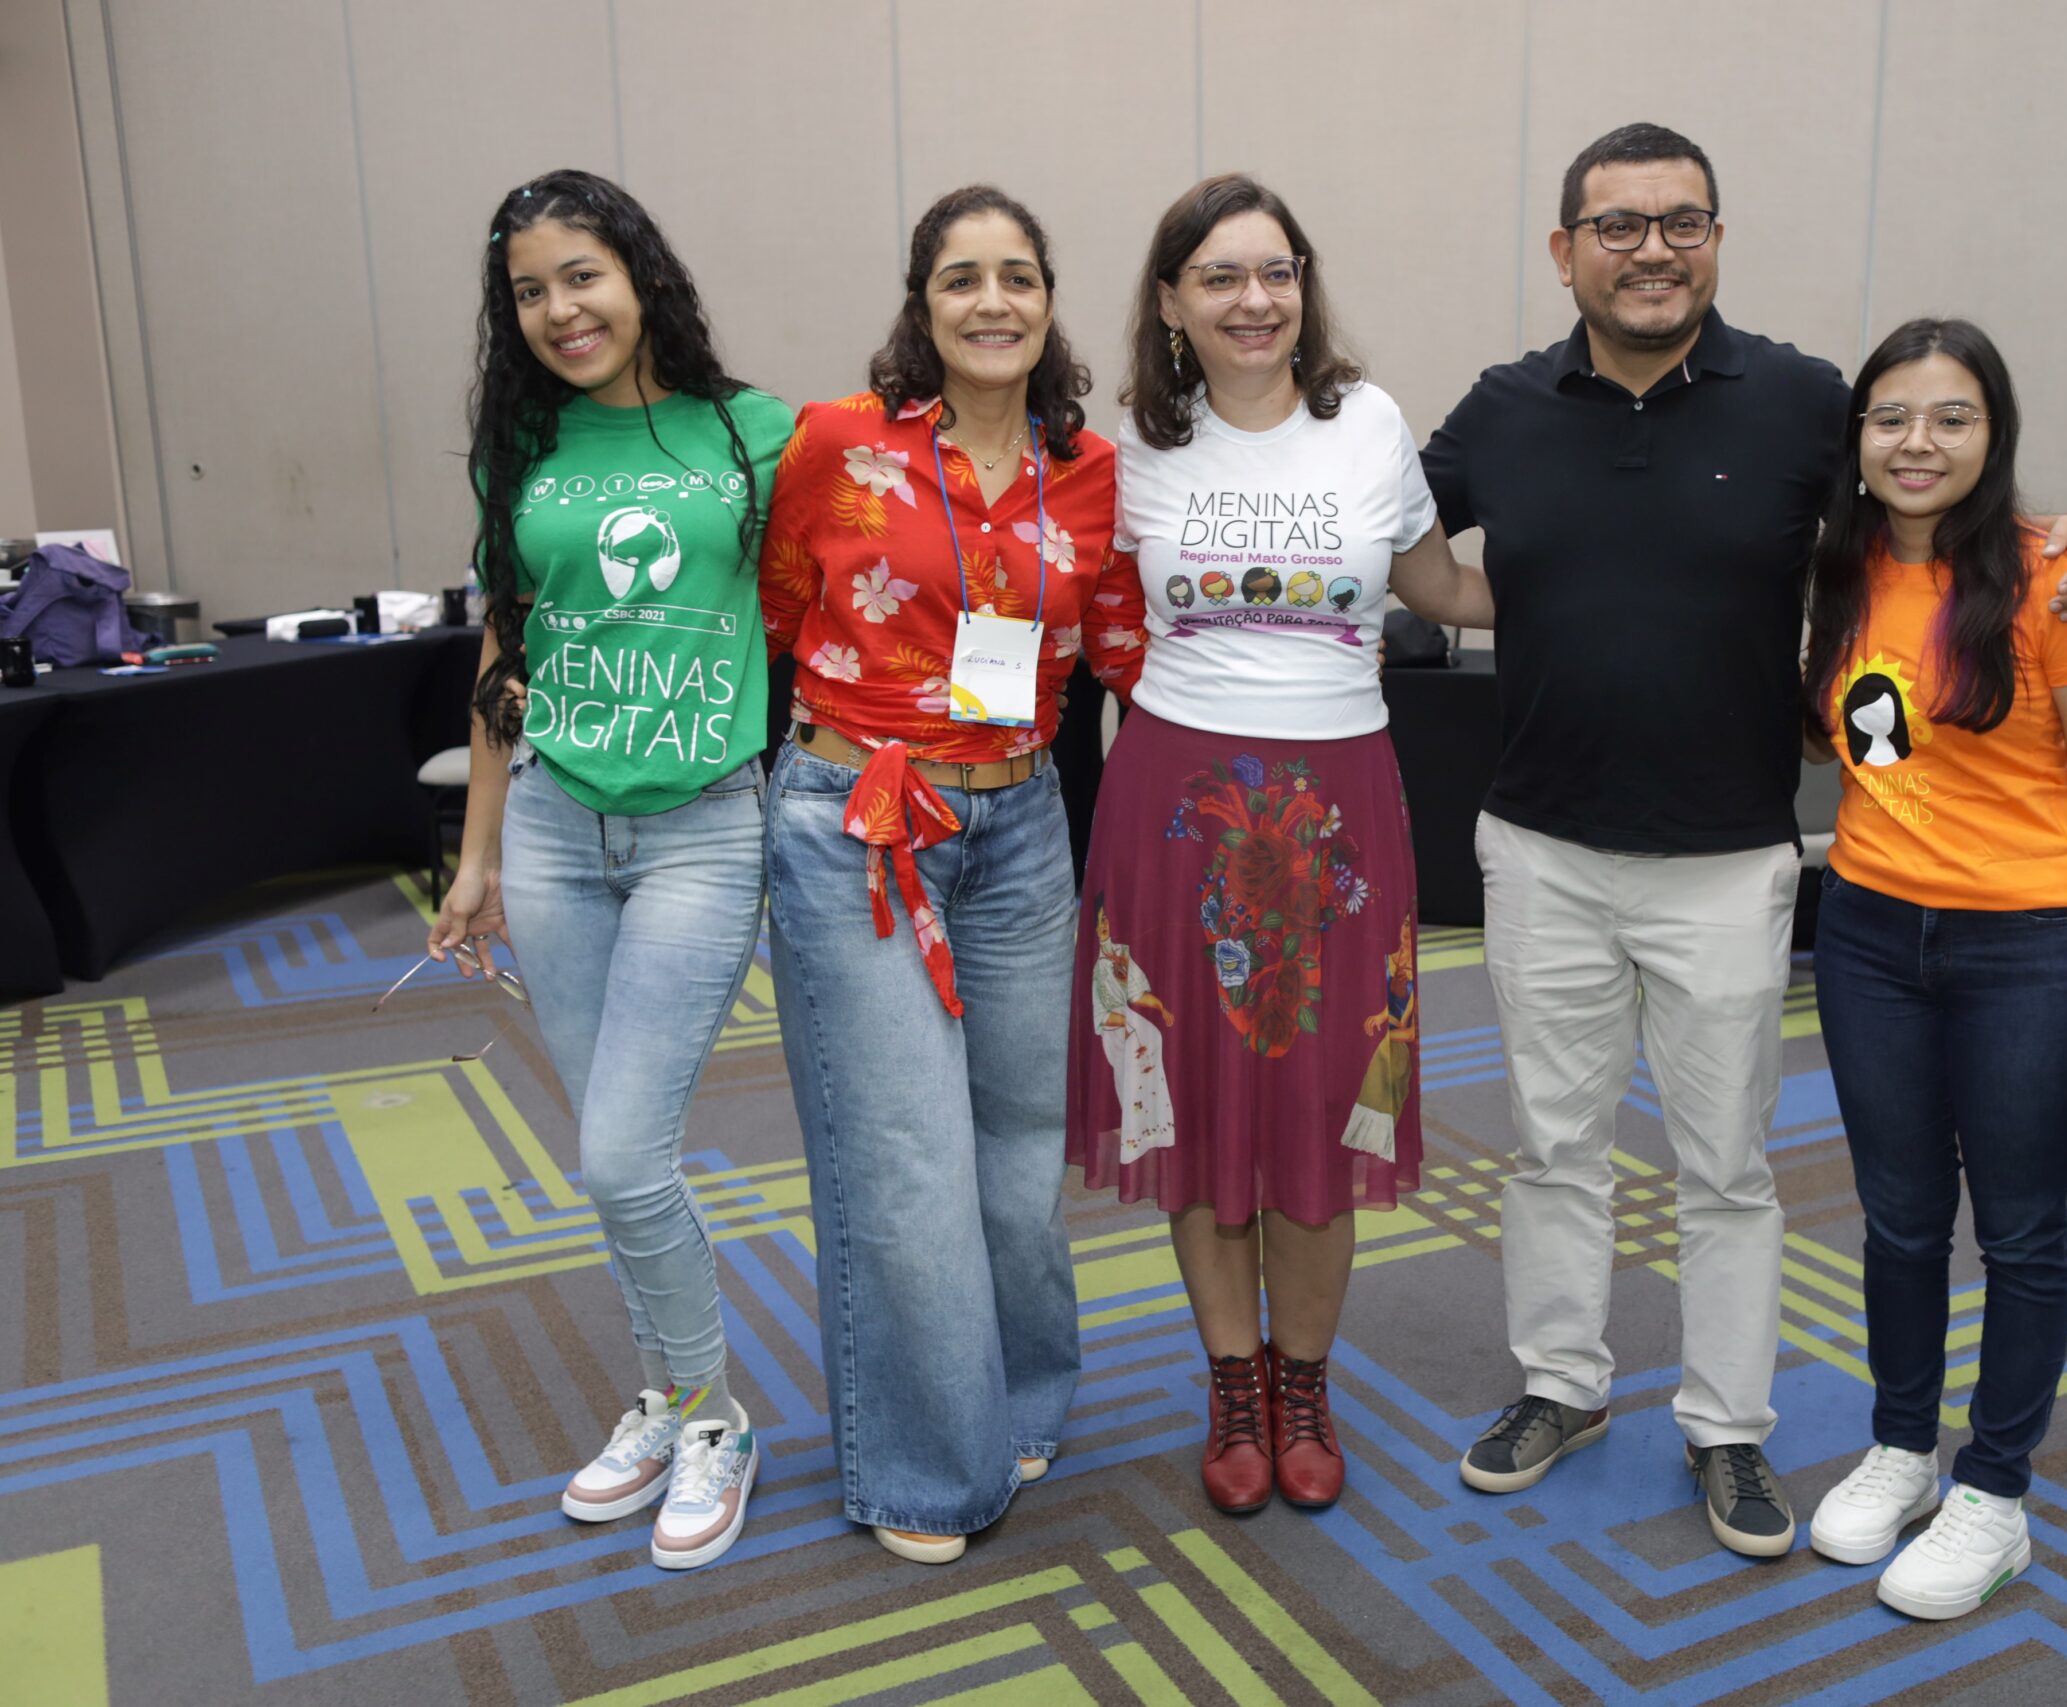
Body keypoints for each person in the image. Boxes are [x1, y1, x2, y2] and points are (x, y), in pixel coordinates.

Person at [1421, 123, 2067, 1556]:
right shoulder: (1498, 409)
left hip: (1732, 854)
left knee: (1727, 1163)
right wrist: (1516, 609)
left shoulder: (1806, 400)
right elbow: (1400, 541)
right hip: (1543, 848)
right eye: (1618, 227)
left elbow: (1934, 502)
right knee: (1552, 1146)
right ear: (1565, 252)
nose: (1653, 250)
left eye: (1683, 222)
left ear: (1718, 243)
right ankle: (1561, 1385)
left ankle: (1726, 1423)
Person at [1066, 174, 1492, 1517]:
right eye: (1222, 276)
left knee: (1322, 1103)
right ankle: (1233, 1381)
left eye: (1277, 271)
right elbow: (1034, 587)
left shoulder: (1367, 424)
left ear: (1303, 285)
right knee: (1194, 1110)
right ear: (1171, 301)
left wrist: (1621, 573)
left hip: (1343, 806)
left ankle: (1306, 1381)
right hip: (1175, 807)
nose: (1256, 299)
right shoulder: (1128, 443)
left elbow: (1440, 588)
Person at [757, 185, 1146, 1566]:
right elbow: (777, 611)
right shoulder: (838, 446)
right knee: (907, 1159)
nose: (994, 302)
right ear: (922, 307)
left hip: (1020, 827)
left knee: (1017, 1154)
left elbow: (1120, 651)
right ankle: (925, 1471)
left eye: (1020, 278)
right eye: (963, 279)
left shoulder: (1086, 471)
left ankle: (1022, 1395)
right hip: (859, 821)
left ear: (1049, 303)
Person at [429, 169, 793, 1570]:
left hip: (705, 821)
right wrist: (475, 857)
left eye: (581, 275)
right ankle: (674, 1399)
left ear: (639, 276)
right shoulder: (520, 448)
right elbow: (502, 653)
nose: (559, 309)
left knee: (621, 1151)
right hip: (555, 832)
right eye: (529, 290)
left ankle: (716, 1418)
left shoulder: (753, 434)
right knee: (608, 1163)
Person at [1799, 317, 2067, 1618]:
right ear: (1856, 440)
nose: (1919, 442)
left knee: (2019, 1231)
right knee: (1900, 1219)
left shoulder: (2056, 578)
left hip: (2032, 953)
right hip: (1865, 940)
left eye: (1951, 417)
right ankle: (1903, 1449)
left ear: (1992, 435)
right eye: (1891, 416)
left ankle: (1995, 1494)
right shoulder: (1838, 570)